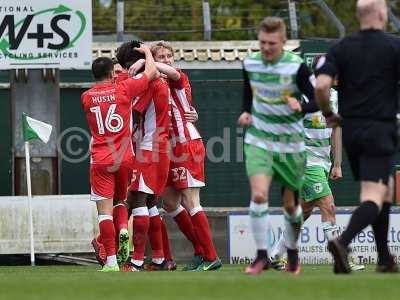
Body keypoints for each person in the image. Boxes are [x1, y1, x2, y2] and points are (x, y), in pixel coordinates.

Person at [315, 0, 399, 273]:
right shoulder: (394, 46)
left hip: (351, 131)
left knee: (385, 189)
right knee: (374, 195)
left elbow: (323, 85)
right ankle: (343, 241)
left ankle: (385, 258)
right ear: (381, 13)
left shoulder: (341, 47)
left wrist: (328, 112)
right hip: (380, 128)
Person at [238, 16, 318, 275]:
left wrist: (302, 106)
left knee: (290, 206)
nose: (266, 48)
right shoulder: (250, 63)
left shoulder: (296, 67)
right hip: (259, 139)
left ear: (283, 41)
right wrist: (245, 113)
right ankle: (261, 256)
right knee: (259, 195)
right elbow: (248, 97)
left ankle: (292, 253)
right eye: (262, 42)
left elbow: (319, 99)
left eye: (272, 43)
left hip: (291, 144)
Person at [81, 47, 157, 272]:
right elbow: (151, 73)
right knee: (120, 201)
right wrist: (146, 53)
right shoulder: (124, 88)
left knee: (104, 212)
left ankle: (111, 262)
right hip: (124, 158)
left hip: (100, 160)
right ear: (112, 74)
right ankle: (124, 227)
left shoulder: (86, 97)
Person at [151, 41, 221, 271]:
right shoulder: (152, 82)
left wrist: (147, 60)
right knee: (170, 203)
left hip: (186, 144)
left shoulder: (177, 76)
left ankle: (211, 257)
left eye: (168, 56)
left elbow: (172, 73)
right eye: (160, 56)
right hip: (168, 149)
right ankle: (200, 251)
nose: (166, 60)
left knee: (192, 200)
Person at [115, 40, 174, 272]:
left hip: (149, 148)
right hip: (162, 149)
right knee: (150, 204)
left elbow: (135, 118)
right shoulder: (160, 80)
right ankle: (159, 259)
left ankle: (136, 261)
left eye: (126, 66)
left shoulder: (148, 83)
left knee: (136, 199)